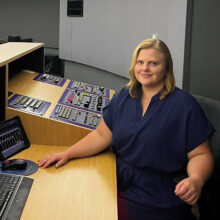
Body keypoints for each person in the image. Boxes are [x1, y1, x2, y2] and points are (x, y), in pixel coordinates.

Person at [38, 39, 215, 220]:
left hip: (156, 191)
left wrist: (196, 180)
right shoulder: (125, 95)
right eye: (140, 62)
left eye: (153, 63)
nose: (145, 68)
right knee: (72, 199)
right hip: (118, 177)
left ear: (166, 68)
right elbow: (101, 135)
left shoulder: (184, 105)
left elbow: (201, 155)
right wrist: (67, 154)